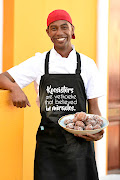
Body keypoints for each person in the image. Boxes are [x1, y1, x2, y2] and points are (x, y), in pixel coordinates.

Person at [0, 9, 104, 180]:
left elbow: (94, 107)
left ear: (72, 30)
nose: (59, 32)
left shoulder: (87, 64)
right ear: (48, 32)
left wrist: (97, 130)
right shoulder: (39, 62)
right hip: (48, 144)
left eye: (64, 27)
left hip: (79, 144)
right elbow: (2, 78)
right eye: (53, 28)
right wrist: (15, 88)